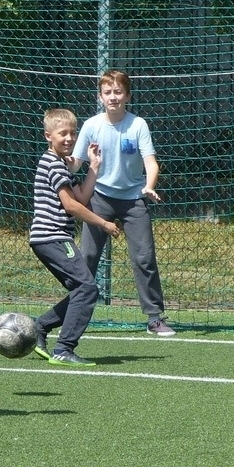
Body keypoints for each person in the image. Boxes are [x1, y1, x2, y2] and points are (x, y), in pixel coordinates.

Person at [71, 70, 175, 336]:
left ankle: (154, 318)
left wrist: (148, 186)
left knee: (144, 258)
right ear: (100, 96)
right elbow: (75, 162)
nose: (113, 97)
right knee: (88, 257)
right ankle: (73, 313)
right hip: (99, 198)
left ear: (127, 95)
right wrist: (57, 161)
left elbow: (151, 163)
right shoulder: (91, 126)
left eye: (118, 92)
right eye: (108, 92)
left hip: (133, 199)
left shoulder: (137, 125)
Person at [29, 109, 122, 365]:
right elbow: (71, 206)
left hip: (51, 238)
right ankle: (64, 349)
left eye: (72, 132)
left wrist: (93, 167)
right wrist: (103, 223)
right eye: (63, 133)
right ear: (49, 136)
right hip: (52, 237)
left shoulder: (60, 163)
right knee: (86, 287)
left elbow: (82, 197)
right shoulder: (52, 162)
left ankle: (39, 328)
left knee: (81, 289)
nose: (69, 138)